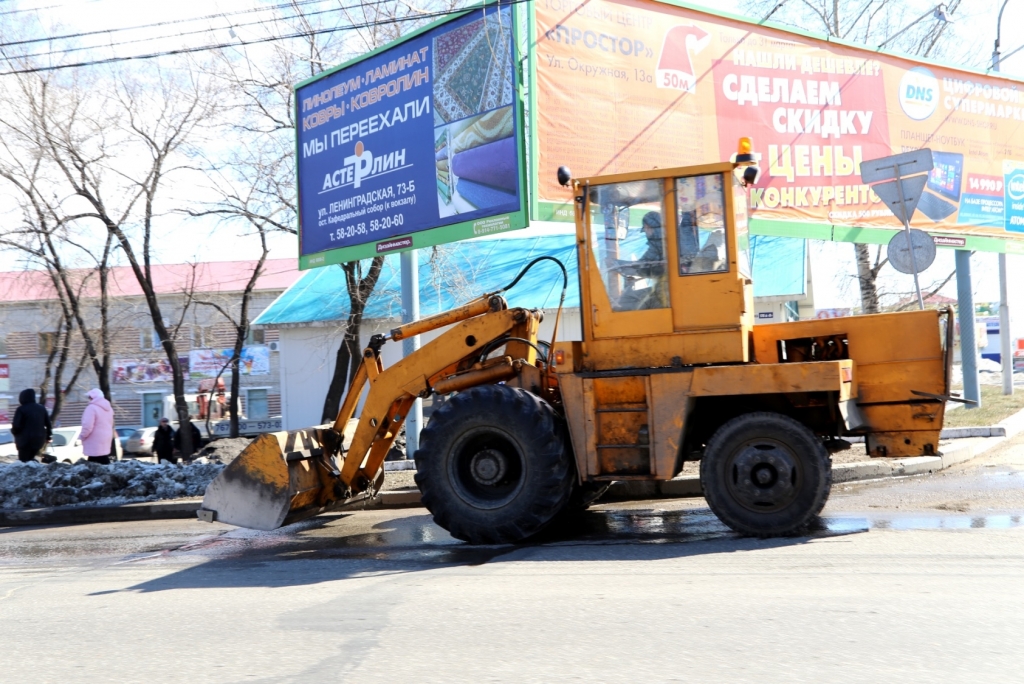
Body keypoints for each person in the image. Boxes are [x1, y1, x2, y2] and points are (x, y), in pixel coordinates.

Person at [613, 211, 668, 310]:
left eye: (646, 229)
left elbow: (643, 267)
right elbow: (646, 266)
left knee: (624, 304)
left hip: (665, 293)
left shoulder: (659, 245)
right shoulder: (663, 242)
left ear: (649, 227)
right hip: (664, 289)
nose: (646, 232)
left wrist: (616, 265)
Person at [10, 388, 52, 463]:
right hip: (39, 440)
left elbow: (16, 425)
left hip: (24, 441)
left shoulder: (21, 409)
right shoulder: (41, 408)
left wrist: (15, 432)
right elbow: (48, 424)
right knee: (31, 459)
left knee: (23, 461)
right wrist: (48, 436)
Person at [80, 388, 115, 465]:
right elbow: (111, 423)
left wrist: (82, 436)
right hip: (106, 438)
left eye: (90, 397)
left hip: (94, 440)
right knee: (103, 460)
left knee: (93, 463)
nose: (89, 399)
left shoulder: (91, 408)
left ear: (92, 397)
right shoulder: (109, 408)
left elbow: (87, 426)